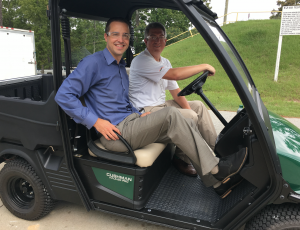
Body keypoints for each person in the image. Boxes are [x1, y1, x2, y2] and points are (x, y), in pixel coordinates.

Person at [55, 18, 247, 199]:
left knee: (181, 122)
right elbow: (64, 96)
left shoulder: (119, 65)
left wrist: (139, 113)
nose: (121, 40)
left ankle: (217, 182)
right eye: (115, 34)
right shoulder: (93, 63)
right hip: (115, 134)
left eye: (126, 36)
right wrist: (96, 122)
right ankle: (217, 170)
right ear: (106, 36)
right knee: (172, 115)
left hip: (131, 123)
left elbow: (123, 101)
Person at [129, 22, 217, 177]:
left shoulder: (165, 62)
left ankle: (220, 151)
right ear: (145, 41)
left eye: (161, 37)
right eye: (152, 37)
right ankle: (181, 158)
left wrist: (189, 111)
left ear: (165, 40)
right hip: (146, 111)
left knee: (198, 107)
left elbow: (176, 92)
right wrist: (204, 66)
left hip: (161, 106)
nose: (157, 40)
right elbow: (175, 75)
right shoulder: (142, 61)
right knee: (190, 116)